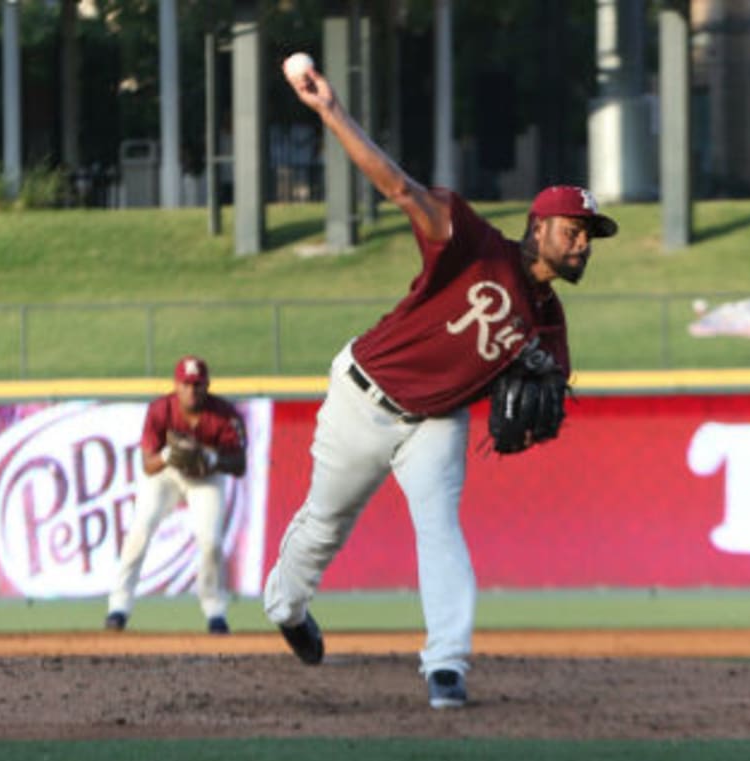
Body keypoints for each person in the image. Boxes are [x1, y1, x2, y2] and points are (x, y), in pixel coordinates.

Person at [264, 54, 617, 710]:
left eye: (590, 237)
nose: (583, 245)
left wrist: (540, 408)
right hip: (364, 394)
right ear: (539, 227)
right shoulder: (471, 241)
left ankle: (446, 666)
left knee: (440, 525)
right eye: (574, 232)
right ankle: (286, 606)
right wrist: (329, 110)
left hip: (436, 421)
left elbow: (550, 398)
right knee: (325, 522)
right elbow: (399, 188)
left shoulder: (550, 324)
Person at [106, 355, 247, 635]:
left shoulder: (225, 415)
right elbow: (148, 466)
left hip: (206, 476)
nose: (191, 391)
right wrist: (169, 455)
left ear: (207, 385)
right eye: (186, 384)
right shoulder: (160, 410)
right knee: (139, 531)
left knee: (211, 542)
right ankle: (118, 607)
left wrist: (213, 458)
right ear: (176, 385)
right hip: (165, 475)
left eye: (197, 385)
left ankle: (215, 612)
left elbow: (240, 464)